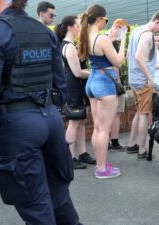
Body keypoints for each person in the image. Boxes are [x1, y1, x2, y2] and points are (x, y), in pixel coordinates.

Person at [0, 0, 82, 224]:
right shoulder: (43, 30)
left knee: (35, 206)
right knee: (59, 196)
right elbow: (59, 83)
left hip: (18, 125)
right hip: (50, 119)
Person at [78, 4, 127, 179]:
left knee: (98, 128)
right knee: (104, 129)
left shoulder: (85, 36)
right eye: (105, 20)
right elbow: (119, 62)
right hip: (104, 83)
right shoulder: (102, 39)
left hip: (92, 81)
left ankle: (101, 164)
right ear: (99, 19)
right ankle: (102, 168)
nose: (105, 23)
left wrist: (111, 38)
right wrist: (123, 41)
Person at [127, 11, 159, 159]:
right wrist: (149, 78)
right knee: (144, 114)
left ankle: (132, 144)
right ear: (157, 22)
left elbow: (129, 55)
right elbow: (139, 57)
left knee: (139, 112)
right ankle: (142, 150)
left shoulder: (136, 31)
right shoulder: (147, 35)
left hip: (134, 79)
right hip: (143, 81)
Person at [55, 16, 96, 169]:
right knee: (74, 122)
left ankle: (83, 153)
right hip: (73, 88)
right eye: (78, 26)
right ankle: (69, 157)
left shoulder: (69, 44)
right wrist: (95, 72)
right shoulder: (69, 46)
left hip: (76, 87)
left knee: (81, 120)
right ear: (70, 27)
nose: (80, 28)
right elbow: (77, 72)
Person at [108, 18, 131, 151]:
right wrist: (118, 81)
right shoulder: (113, 42)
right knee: (115, 113)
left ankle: (110, 141)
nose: (124, 34)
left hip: (106, 81)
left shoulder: (103, 39)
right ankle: (114, 142)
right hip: (113, 82)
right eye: (124, 31)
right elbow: (117, 64)